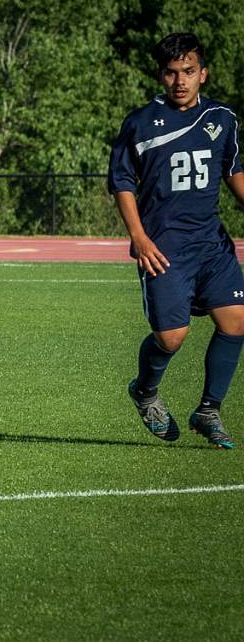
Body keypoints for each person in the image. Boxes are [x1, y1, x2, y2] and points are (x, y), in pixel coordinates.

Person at [109, 32, 244, 449]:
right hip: (164, 248)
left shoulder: (223, 119)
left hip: (211, 243)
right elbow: (121, 183)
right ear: (160, 76)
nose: (180, 81)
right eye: (171, 73)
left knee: (237, 319)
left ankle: (208, 410)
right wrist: (139, 237)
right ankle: (145, 391)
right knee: (171, 338)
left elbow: (233, 171)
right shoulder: (141, 123)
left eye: (188, 71)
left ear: (203, 73)